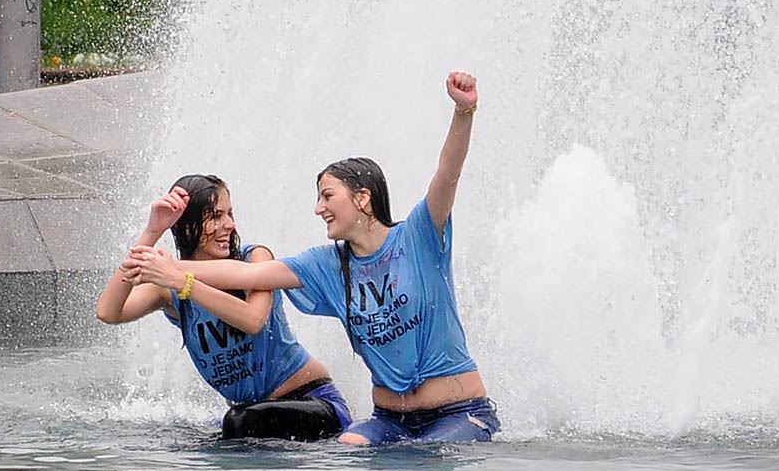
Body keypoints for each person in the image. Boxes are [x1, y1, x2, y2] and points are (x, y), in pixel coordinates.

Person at [122, 71, 499, 445]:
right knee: (349, 447)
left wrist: (463, 112)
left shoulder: (418, 236)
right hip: (391, 419)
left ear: (362, 198)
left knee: (433, 454)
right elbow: (249, 275)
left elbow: (447, 175)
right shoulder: (327, 265)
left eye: (327, 196)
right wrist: (172, 269)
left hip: (458, 411)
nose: (318, 208)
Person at [96, 174, 352, 441]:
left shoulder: (255, 259)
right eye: (216, 216)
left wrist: (182, 280)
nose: (228, 225)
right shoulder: (168, 290)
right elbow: (108, 311)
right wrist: (152, 231)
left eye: (230, 214)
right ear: (186, 227)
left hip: (316, 404)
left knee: (239, 422)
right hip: (253, 417)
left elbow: (253, 320)